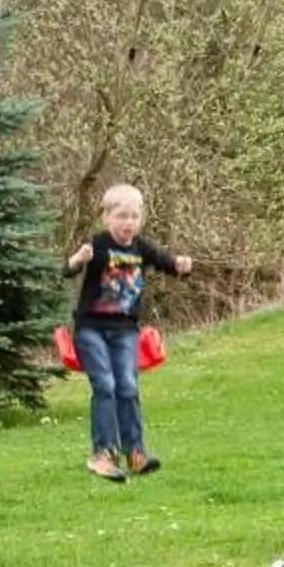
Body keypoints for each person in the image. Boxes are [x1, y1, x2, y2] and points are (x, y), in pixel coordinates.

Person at [65, 183, 191, 481]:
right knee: (105, 385)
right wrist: (78, 259)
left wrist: (182, 265)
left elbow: (169, 264)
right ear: (107, 217)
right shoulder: (97, 244)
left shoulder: (141, 247)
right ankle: (103, 454)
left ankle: (135, 453)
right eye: (122, 216)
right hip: (91, 329)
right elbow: (68, 269)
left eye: (134, 216)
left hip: (124, 330)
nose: (128, 223)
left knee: (128, 387)